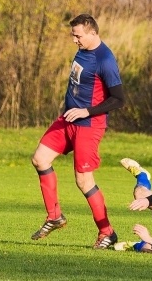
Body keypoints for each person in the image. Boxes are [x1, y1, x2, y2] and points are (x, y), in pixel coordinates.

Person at [30, 13, 125, 249]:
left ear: (93, 32)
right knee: (40, 159)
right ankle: (54, 217)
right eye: (73, 35)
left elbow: (118, 99)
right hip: (68, 120)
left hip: (88, 126)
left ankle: (107, 233)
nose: (75, 40)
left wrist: (86, 111)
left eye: (78, 35)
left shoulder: (105, 60)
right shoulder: (83, 49)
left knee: (83, 181)